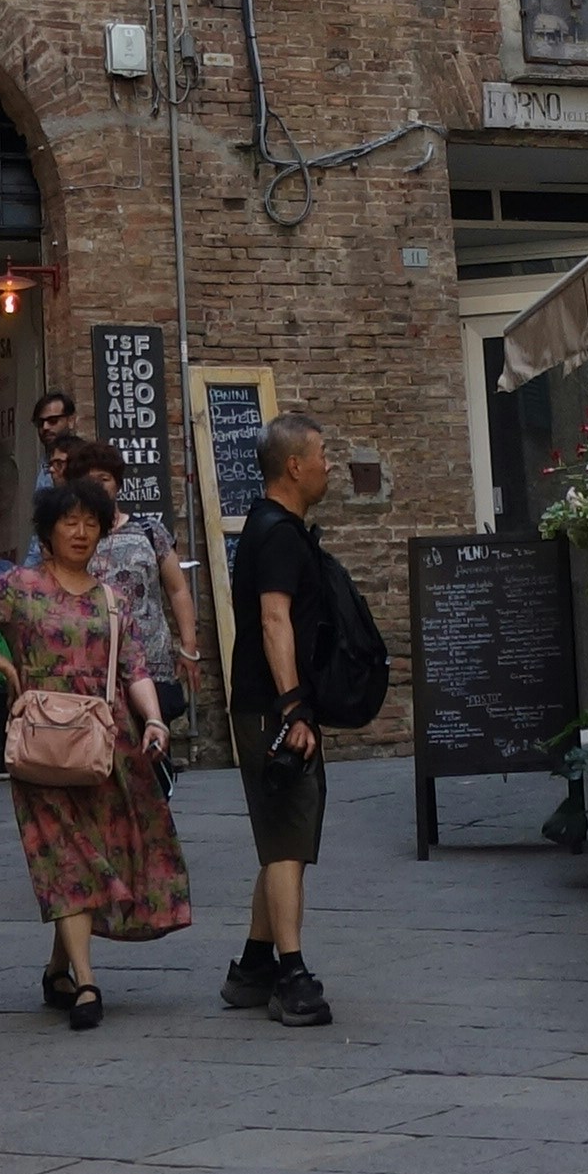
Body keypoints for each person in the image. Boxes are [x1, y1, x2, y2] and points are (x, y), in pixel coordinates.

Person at [0, 480, 193, 1027]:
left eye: (90, 523)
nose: (80, 533)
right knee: (63, 855)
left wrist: (152, 718)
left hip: (105, 744)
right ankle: (87, 984)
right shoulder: (19, 587)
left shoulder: (112, 598)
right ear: (48, 530)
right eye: (69, 522)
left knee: (90, 852)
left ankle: (59, 968)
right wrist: (7, 667)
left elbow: (134, 668)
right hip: (40, 742)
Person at [223, 413, 372, 1027]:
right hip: (272, 709)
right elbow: (274, 620)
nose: (329, 463)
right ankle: (292, 974)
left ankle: (253, 966)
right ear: (294, 466)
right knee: (287, 839)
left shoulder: (271, 528)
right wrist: (292, 709)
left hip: (271, 705)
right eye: (322, 453)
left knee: (284, 835)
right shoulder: (279, 534)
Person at [54, 436, 201, 734]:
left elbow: (177, 589)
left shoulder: (149, 531)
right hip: (91, 660)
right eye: (88, 480)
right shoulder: (71, 538)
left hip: (151, 659)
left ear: (118, 484)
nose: (98, 486)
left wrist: (188, 646)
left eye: (104, 478)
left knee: (154, 741)